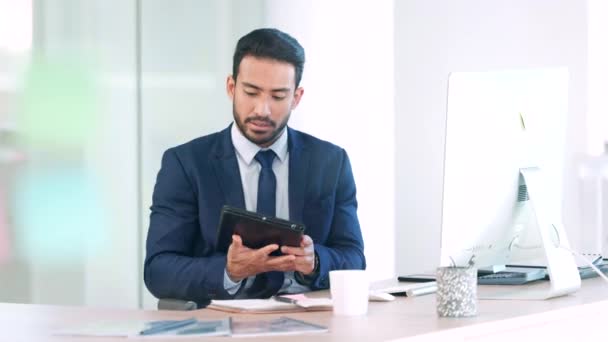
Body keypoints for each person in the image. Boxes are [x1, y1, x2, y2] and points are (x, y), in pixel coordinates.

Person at [144, 28, 365, 307]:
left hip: (310, 317)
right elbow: (158, 270)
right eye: (251, 92)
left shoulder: (330, 161)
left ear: (296, 98)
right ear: (231, 88)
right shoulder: (186, 164)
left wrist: (316, 261)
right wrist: (229, 271)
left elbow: (354, 257)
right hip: (221, 323)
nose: (262, 109)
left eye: (278, 96)